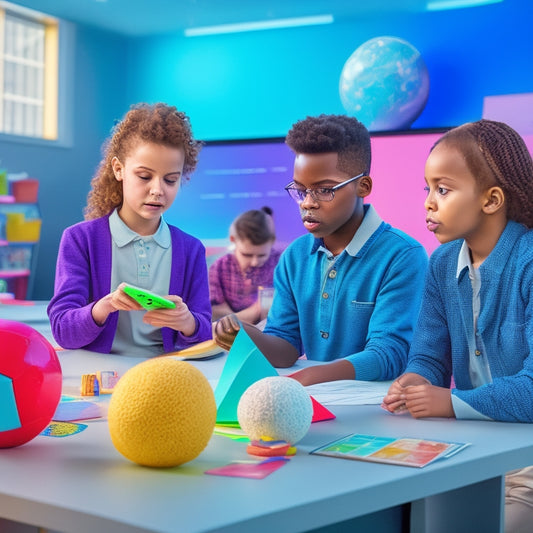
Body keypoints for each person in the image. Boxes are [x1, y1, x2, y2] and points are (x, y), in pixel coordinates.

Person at [381, 119, 533, 533]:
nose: (429, 202)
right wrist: (414, 381)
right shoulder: (442, 263)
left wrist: (447, 403)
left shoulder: (528, 262)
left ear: (492, 199)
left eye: (443, 189)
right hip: (472, 450)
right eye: (427, 189)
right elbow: (429, 355)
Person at [213, 114, 428, 385]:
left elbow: (389, 354)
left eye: (324, 190)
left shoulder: (403, 256)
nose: (307, 203)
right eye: (301, 191)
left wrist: (314, 375)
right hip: (313, 398)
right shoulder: (295, 257)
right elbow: (286, 346)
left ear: (363, 187)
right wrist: (245, 335)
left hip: (381, 406)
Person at [47, 103, 212, 356]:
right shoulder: (80, 240)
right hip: (99, 375)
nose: (158, 190)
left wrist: (187, 322)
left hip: (165, 373)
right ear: (118, 169)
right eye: (145, 177)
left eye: (170, 179)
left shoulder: (190, 250)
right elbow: (62, 329)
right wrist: (104, 307)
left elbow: (204, 334)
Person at [209, 206, 281, 324]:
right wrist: (256, 310)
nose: (255, 262)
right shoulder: (220, 266)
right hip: (232, 334)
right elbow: (215, 310)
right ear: (233, 240)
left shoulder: (281, 263)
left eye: (262, 255)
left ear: (272, 242)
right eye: (247, 255)